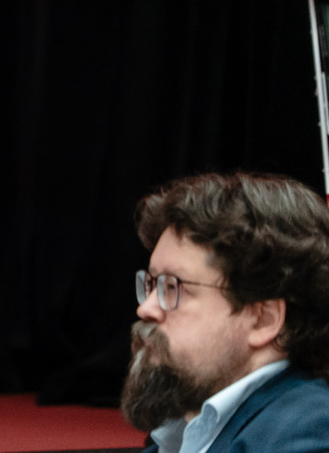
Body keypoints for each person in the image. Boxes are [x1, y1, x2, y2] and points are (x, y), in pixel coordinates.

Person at [121, 171, 329, 452]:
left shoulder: (305, 434)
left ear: (263, 320)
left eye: (172, 287)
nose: (145, 308)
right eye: (151, 284)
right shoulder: (178, 434)